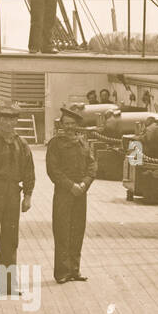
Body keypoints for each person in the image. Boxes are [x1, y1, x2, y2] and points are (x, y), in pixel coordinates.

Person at [0, 103, 36, 296]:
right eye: (3, 118)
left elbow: (29, 172)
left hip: (13, 194)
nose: (7, 122)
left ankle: (7, 284)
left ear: (16, 121)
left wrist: (27, 196)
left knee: (10, 240)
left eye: (11, 119)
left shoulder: (21, 144)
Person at [46, 103, 96, 283]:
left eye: (72, 124)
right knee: (62, 231)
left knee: (77, 230)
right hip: (64, 194)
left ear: (76, 125)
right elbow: (53, 170)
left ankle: (75, 270)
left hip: (81, 193)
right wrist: (71, 186)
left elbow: (92, 165)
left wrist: (84, 183)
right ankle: (62, 272)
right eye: (66, 123)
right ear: (61, 124)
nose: (69, 127)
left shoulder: (83, 142)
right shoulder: (55, 144)